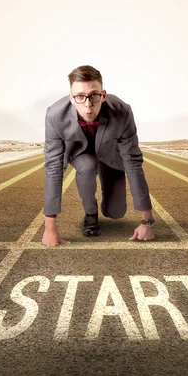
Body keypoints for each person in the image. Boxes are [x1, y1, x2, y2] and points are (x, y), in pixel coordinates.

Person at [41, 65, 155, 248]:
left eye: (94, 95)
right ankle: (91, 214)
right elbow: (53, 166)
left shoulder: (122, 112)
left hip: (110, 155)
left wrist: (147, 221)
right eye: (80, 97)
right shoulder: (54, 115)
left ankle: (107, 205)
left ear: (103, 95)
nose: (88, 104)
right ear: (71, 98)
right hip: (81, 154)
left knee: (116, 212)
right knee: (87, 166)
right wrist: (49, 227)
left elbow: (133, 162)